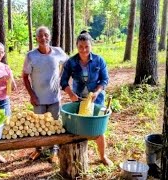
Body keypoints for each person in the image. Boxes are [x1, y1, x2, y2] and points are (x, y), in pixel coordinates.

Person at [60, 30, 113, 166]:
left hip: (97, 99)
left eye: (86, 47)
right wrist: (71, 94)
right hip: (79, 99)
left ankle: (103, 156)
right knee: (78, 128)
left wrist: (96, 92)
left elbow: (105, 80)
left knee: (98, 130)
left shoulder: (99, 60)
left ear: (91, 46)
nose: (84, 50)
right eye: (80, 47)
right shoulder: (71, 62)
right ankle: (77, 158)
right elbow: (63, 82)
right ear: (77, 47)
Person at [22, 26, 68, 163]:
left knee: (54, 123)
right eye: (40, 36)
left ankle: (54, 150)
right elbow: (24, 76)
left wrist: (62, 78)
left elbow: (69, 64)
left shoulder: (58, 52)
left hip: (54, 97)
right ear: (36, 38)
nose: (43, 38)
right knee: (37, 124)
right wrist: (31, 95)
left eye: (46, 35)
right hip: (38, 98)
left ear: (50, 36)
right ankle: (38, 150)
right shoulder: (31, 56)